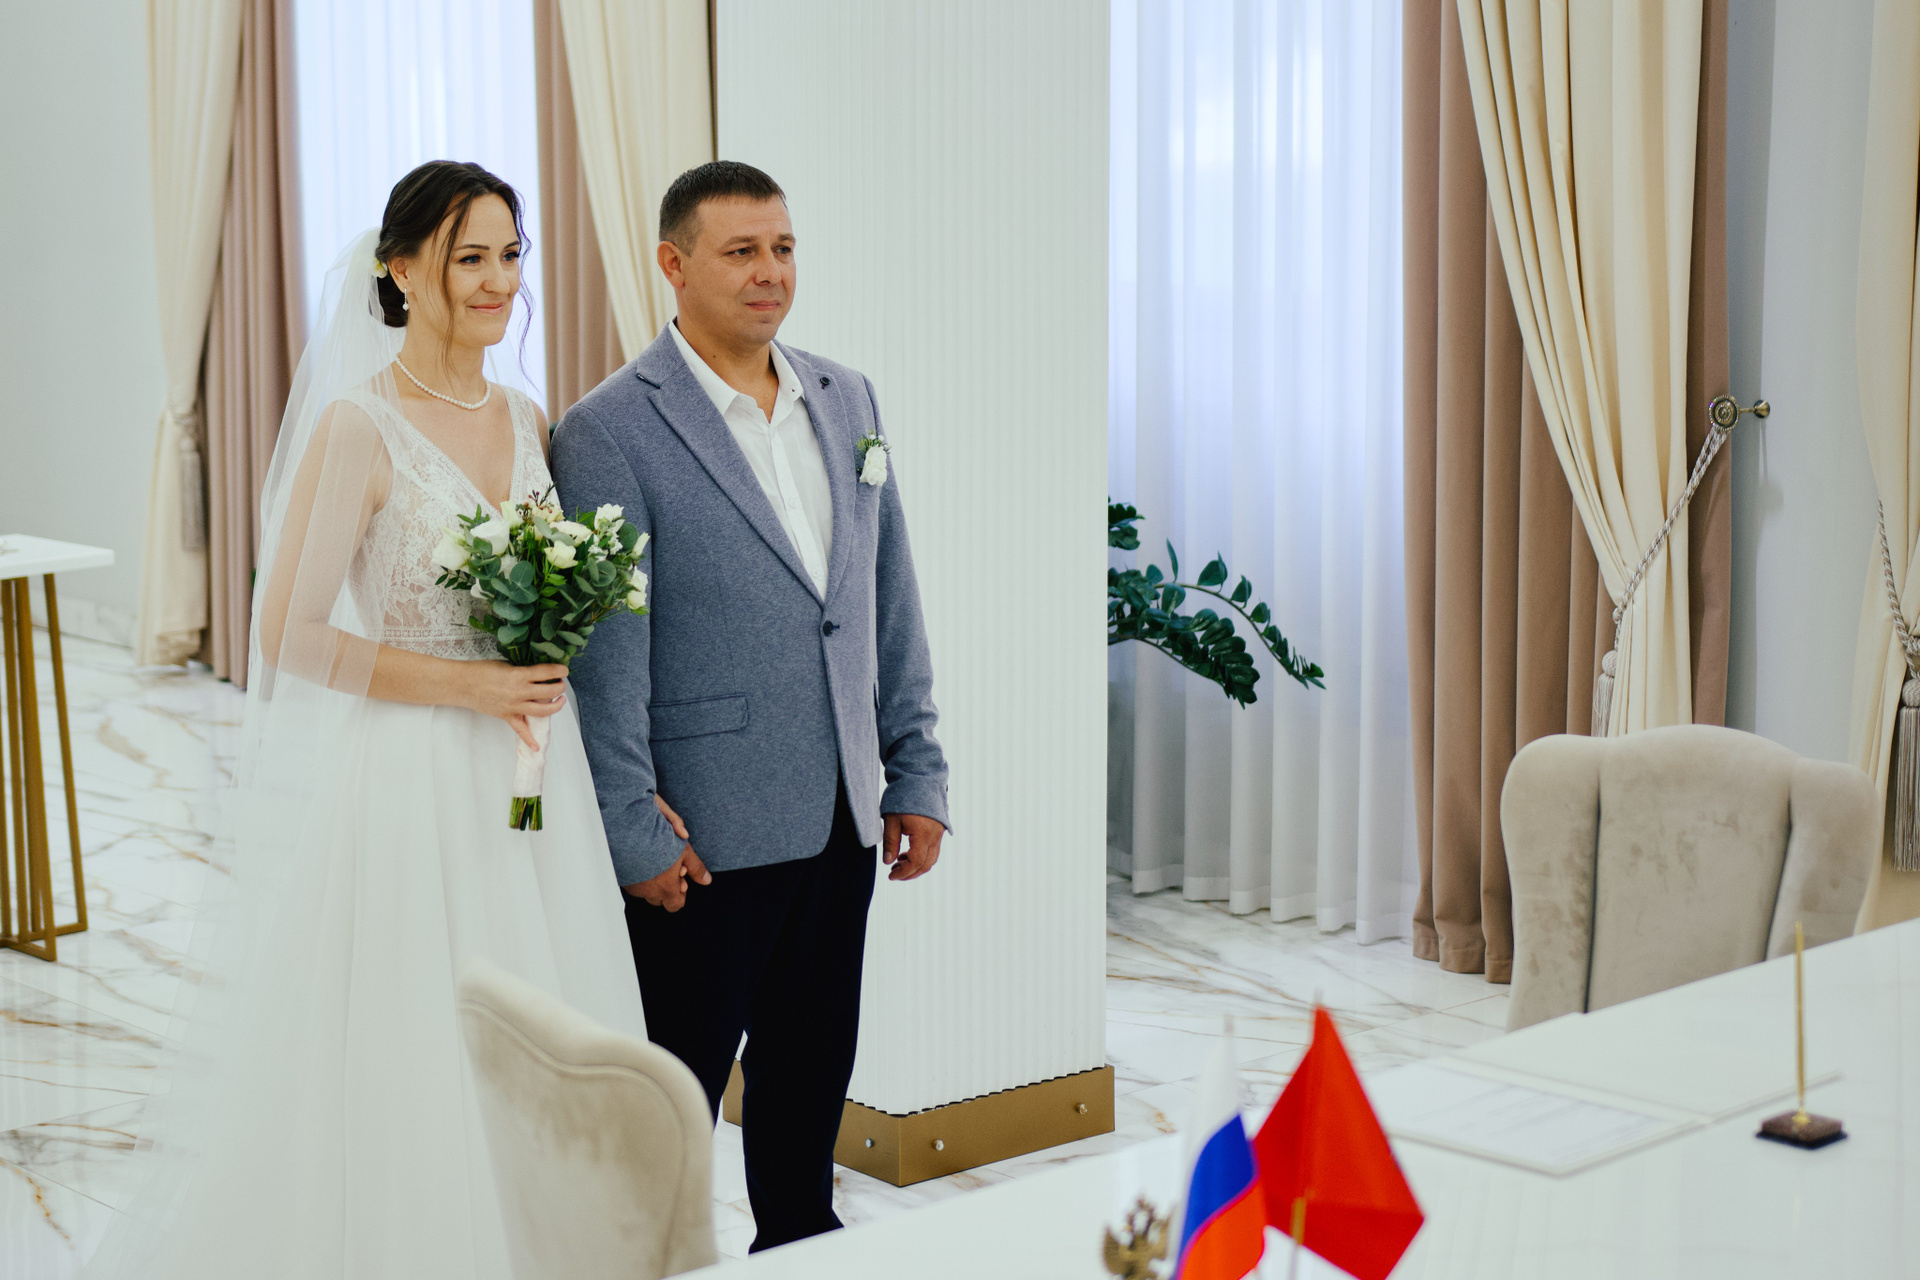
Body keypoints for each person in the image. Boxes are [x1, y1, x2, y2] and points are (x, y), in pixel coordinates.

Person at [84, 161, 647, 1279]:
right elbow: (288, 635)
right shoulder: (359, 427)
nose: (499, 282)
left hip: (535, 774)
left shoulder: (527, 415)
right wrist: (471, 687)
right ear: (400, 270)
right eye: (469, 258)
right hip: (411, 777)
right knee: (421, 1032)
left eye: (511, 254)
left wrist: (548, 645)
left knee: (542, 1010)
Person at [552, 160, 951, 1253]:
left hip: (841, 816)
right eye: (741, 252)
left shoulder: (846, 396)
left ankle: (801, 1248)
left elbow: (886, 597)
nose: (770, 271)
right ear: (674, 265)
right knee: (670, 1099)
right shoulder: (607, 429)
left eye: (782, 247)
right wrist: (630, 827)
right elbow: (605, 656)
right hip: (701, 838)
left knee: (811, 1079)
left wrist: (915, 768)